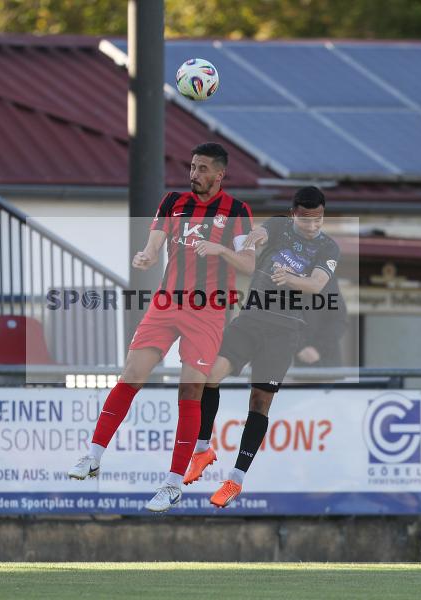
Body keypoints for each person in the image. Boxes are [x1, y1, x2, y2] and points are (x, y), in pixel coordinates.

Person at [68, 142, 255, 512]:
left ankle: (172, 483)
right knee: (131, 374)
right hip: (166, 302)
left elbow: (248, 263)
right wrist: (146, 254)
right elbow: (154, 243)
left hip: (208, 310)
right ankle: (92, 456)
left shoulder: (237, 211)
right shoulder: (173, 202)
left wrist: (221, 252)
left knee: (189, 392)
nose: (194, 174)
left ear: (220, 174)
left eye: (203, 169)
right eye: (192, 167)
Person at [183, 186, 342, 507]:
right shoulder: (279, 225)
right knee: (209, 376)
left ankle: (235, 479)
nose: (312, 226)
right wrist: (252, 238)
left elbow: (315, 284)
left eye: (318, 220)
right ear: (294, 214)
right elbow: (259, 234)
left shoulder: (329, 247)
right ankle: (202, 449)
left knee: (259, 402)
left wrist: (291, 277)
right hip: (252, 318)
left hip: (285, 331)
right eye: (306, 220)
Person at [293, 275, 347, 368]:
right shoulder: (286, 278)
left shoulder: (327, 279)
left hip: (327, 361)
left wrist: (318, 348)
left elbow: (339, 320)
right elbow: (282, 319)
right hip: (297, 361)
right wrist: (300, 347)